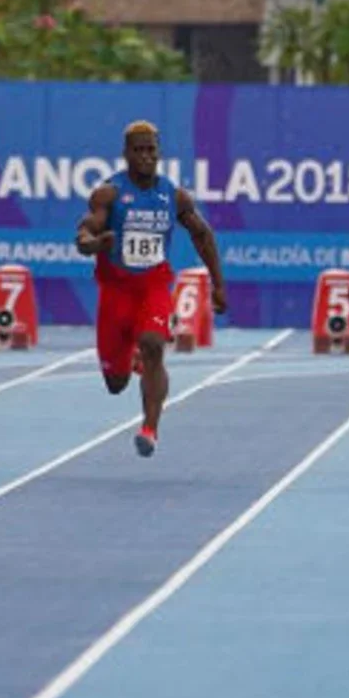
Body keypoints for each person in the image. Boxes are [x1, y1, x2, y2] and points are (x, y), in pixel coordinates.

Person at [75, 121, 226, 458]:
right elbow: (84, 232)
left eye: (151, 150)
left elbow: (202, 235)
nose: (145, 156)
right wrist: (95, 244)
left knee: (154, 344)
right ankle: (128, 359)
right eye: (138, 150)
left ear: (159, 153)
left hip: (153, 284)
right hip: (116, 290)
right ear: (126, 153)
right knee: (115, 384)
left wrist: (218, 284)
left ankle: (150, 428)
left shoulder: (173, 195)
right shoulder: (109, 194)